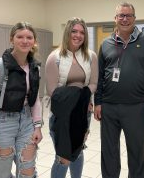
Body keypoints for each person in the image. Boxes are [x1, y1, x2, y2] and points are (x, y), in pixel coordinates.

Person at [94, 2, 144, 178]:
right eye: (121, 16)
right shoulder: (106, 43)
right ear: (115, 19)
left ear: (134, 18)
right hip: (109, 107)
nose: (125, 19)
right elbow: (99, 76)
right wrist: (98, 102)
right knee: (109, 152)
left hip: (136, 107)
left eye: (128, 15)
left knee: (137, 153)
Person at [0, 22, 42, 178]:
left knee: (28, 171)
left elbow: (35, 100)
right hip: (2, 123)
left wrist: (37, 126)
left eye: (29, 37)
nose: (25, 41)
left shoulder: (34, 67)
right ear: (11, 39)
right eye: (20, 36)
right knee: (1, 173)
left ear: (34, 41)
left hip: (27, 122)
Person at [45, 17, 98, 178]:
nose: (78, 35)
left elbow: (94, 83)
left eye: (82, 32)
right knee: (63, 157)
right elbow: (53, 91)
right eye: (74, 31)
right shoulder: (54, 58)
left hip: (82, 115)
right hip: (61, 116)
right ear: (67, 32)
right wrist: (80, 96)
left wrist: (82, 101)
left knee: (78, 152)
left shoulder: (91, 56)